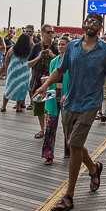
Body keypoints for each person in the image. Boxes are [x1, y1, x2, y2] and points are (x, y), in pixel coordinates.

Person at [33, 14, 106, 211]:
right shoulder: (72, 47)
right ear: (84, 24)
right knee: (75, 144)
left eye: (96, 22)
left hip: (90, 104)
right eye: (89, 21)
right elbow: (60, 70)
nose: (91, 25)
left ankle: (69, 195)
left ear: (100, 27)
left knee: (75, 145)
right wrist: (45, 86)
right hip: (70, 102)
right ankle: (93, 168)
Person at [42, 35, 69, 165]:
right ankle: (48, 154)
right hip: (53, 95)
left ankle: (68, 150)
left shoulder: (72, 62)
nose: (60, 47)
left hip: (67, 96)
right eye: (59, 44)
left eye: (63, 44)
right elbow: (50, 79)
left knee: (68, 125)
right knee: (50, 126)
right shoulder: (54, 62)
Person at [28, 27, 57, 138]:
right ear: (43, 33)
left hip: (52, 81)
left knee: (50, 105)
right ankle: (43, 129)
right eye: (49, 32)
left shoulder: (55, 46)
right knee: (39, 105)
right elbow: (29, 64)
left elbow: (62, 62)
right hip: (38, 80)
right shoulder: (36, 47)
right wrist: (38, 58)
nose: (51, 34)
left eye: (52, 32)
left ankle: (49, 129)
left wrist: (52, 56)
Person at [1, 33, 31, 112]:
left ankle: (3, 106)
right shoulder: (29, 50)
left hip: (13, 71)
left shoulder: (13, 48)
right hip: (25, 72)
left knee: (9, 88)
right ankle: (18, 107)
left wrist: (6, 70)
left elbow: (7, 59)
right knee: (21, 89)